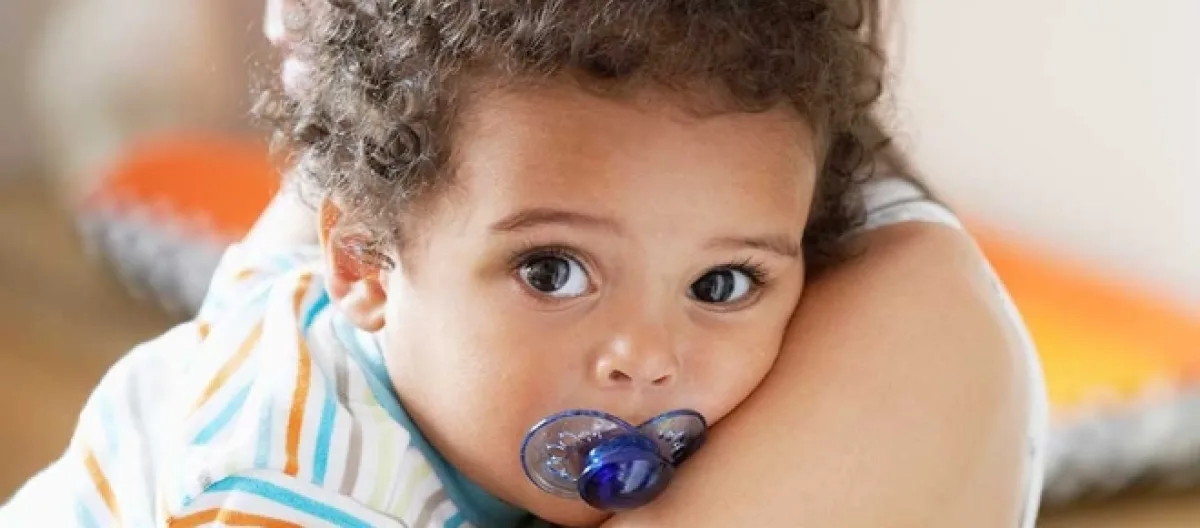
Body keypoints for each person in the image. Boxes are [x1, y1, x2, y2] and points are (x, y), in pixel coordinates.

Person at [1, 1, 1046, 526]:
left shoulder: (418, 334)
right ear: (363, 267)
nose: (645, 356)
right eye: (552, 272)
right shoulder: (290, 492)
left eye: (721, 285)